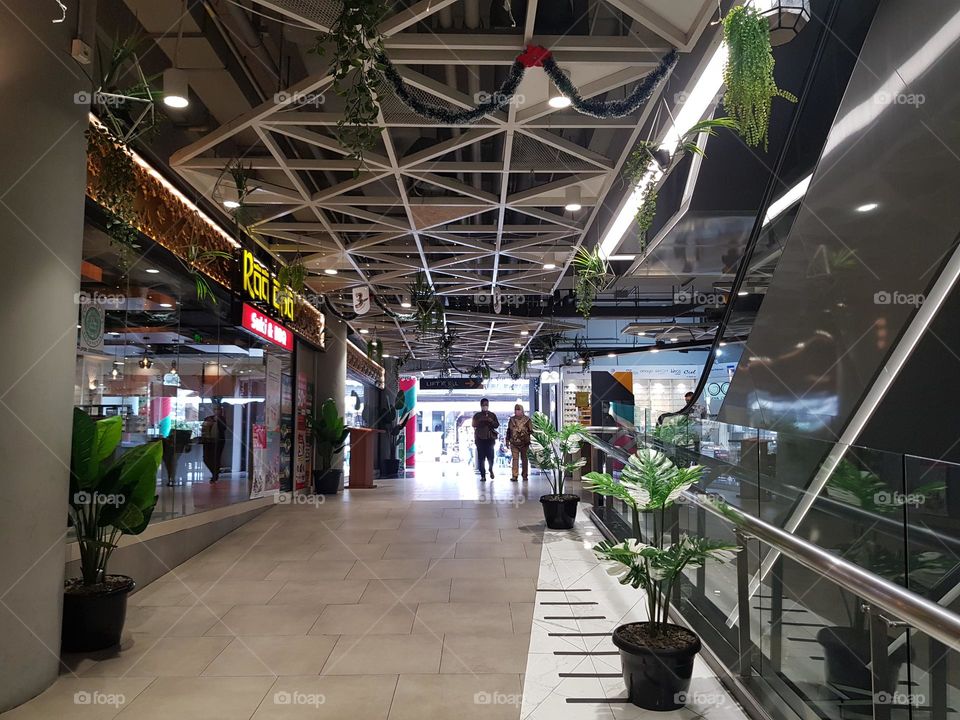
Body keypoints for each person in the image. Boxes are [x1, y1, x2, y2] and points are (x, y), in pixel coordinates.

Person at [471, 398, 499, 481]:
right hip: (480, 439)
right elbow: (473, 424)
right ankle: (483, 475)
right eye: (483, 405)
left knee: (491, 457)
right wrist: (481, 420)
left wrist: (491, 421)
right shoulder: (477, 415)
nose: (485, 406)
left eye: (486, 405)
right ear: (481, 405)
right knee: (481, 458)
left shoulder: (492, 415)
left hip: (490, 439)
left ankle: (490, 469)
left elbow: (496, 425)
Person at [506, 403, 533, 482]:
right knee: (515, 459)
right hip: (514, 443)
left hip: (524, 443)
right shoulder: (511, 420)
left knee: (524, 459)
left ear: (522, 410)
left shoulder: (527, 420)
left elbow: (531, 431)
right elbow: (509, 431)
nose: (517, 412)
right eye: (516, 410)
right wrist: (507, 440)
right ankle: (515, 475)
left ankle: (525, 475)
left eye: (519, 410)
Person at [201, 404, 228, 482]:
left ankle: (215, 475)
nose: (217, 411)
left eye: (218, 409)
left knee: (216, 458)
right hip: (208, 441)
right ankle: (214, 472)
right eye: (215, 409)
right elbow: (203, 428)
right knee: (206, 458)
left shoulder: (222, 419)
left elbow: (223, 428)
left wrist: (217, 420)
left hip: (218, 441)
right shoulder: (208, 418)